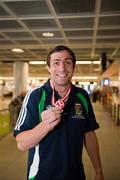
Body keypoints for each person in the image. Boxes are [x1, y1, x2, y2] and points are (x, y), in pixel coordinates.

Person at [14, 45, 104, 180]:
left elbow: (89, 133)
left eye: (67, 62)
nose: (62, 68)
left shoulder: (82, 95)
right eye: (56, 63)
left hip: (75, 175)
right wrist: (44, 126)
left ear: (73, 67)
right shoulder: (35, 96)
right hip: (42, 175)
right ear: (49, 68)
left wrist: (98, 170)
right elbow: (21, 143)